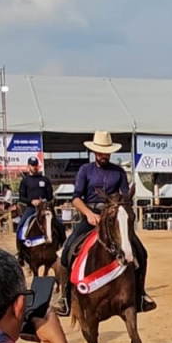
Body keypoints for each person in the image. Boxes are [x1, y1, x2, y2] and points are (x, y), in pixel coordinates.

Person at [54, 131, 155, 316]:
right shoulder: (85, 170)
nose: (103, 155)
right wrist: (89, 214)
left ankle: (140, 294)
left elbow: (125, 196)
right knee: (67, 252)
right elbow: (76, 198)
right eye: (100, 152)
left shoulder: (119, 172)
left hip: (113, 218)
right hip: (90, 216)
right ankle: (65, 298)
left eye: (106, 152)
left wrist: (118, 212)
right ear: (94, 152)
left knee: (141, 251)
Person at [16, 157, 63, 261]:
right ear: (28, 166)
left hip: (45, 208)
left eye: (36, 165)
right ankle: (21, 253)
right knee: (20, 226)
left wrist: (45, 201)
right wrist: (31, 201)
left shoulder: (44, 180)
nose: (34, 167)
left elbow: (50, 195)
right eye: (32, 165)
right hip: (31, 209)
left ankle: (62, 247)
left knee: (60, 224)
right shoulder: (25, 181)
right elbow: (21, 197)